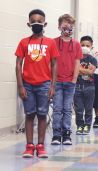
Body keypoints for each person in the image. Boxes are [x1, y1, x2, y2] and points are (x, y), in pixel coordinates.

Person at [15, 9, 59, 158]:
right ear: (29, 23)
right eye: (33, 21)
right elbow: (18, 64)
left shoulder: (50, 43)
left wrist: (53, 85)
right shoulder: (23, 42)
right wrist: (20, 86)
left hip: (44, 85)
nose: (36, 23)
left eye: (39, 21)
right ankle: (29, 146)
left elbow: (54, 65)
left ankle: (40, 146)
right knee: (29, 114)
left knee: (41, 115)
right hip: (27, 84)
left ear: (45, 23)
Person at [51, 14, 83, 145]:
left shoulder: (76, 44)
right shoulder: (53, 42)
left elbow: (77, 63)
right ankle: (56, 135)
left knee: (67, 109)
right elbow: (51, 62)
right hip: (57, 82)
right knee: (57, 108)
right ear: (59, 27)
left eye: (70, 27)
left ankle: (67, 134)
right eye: (64, 26)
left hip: (70, 82)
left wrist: (74, 79)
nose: (67, 29)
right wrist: (51, 81)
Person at [74, 36, 97, 135]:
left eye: (87, 45)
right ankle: (79, 125)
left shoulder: (93, 59)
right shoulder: (76, 58)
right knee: (78, 109)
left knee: (88, 108)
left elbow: (92, 72)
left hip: (90, 87)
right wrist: (85, 71)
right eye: (82, 45)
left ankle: (87, 125)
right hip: (77, 87)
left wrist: (79, 70)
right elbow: (74, 70)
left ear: (91, 47)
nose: (85, 47)